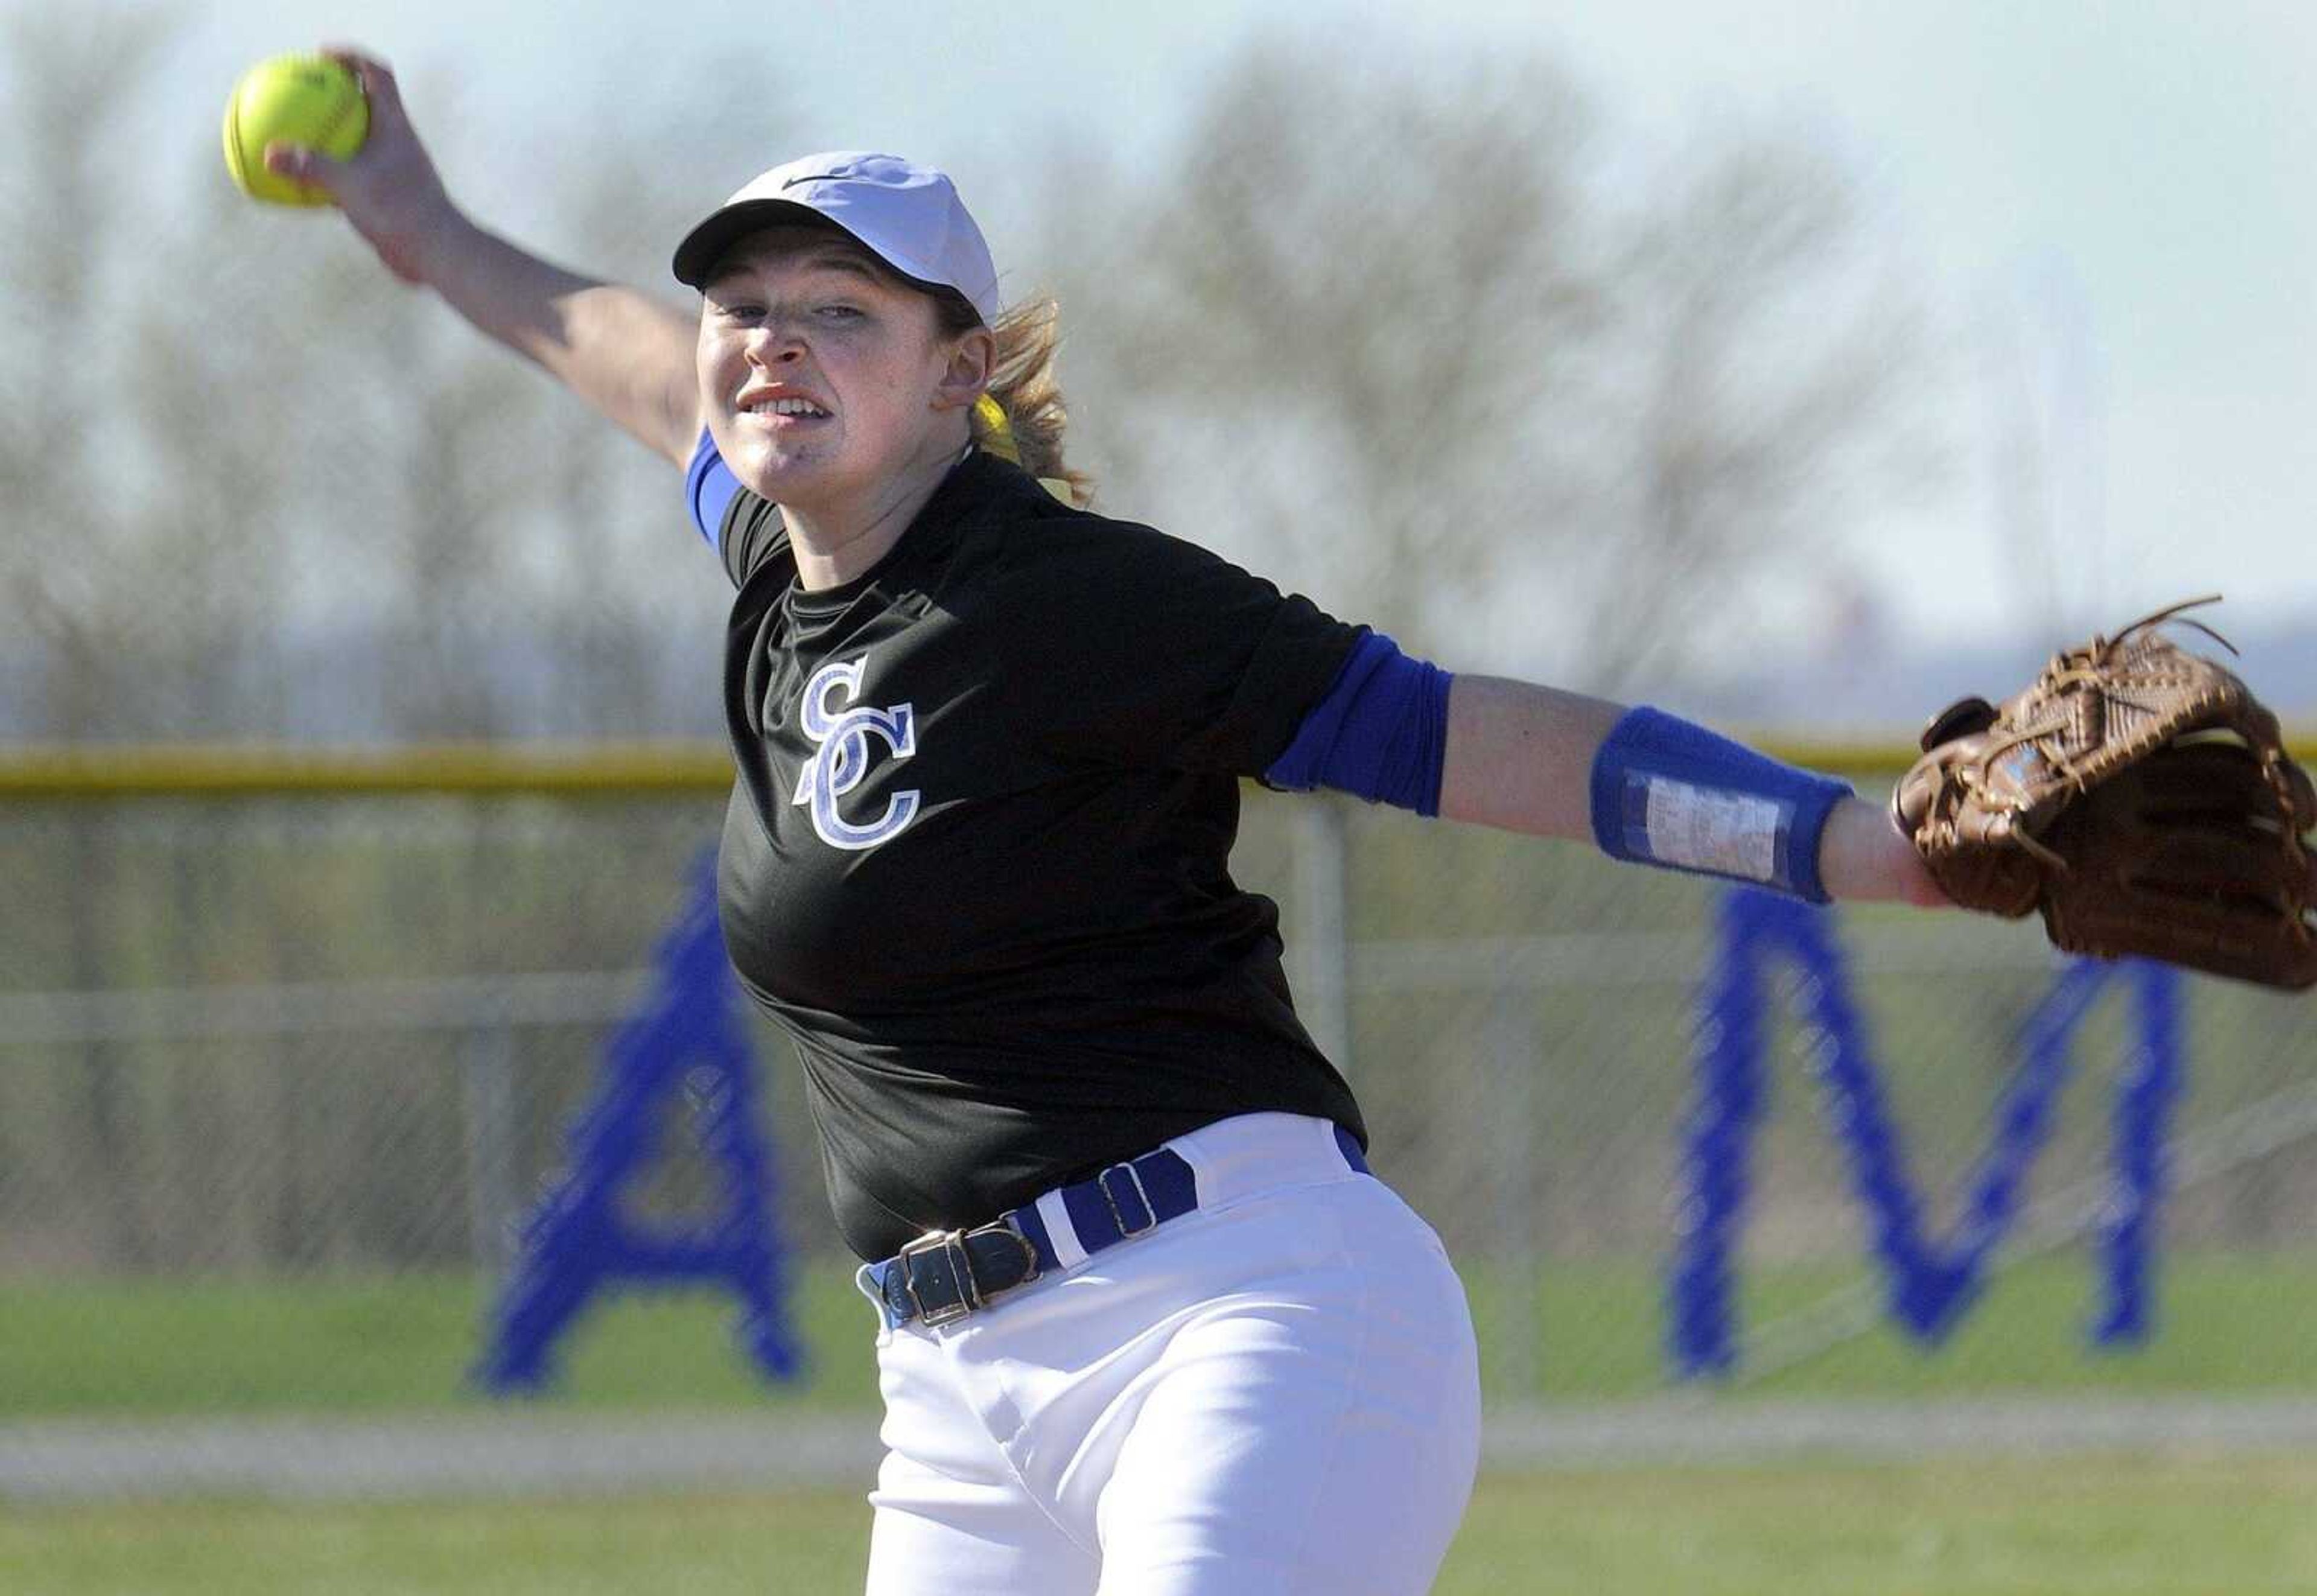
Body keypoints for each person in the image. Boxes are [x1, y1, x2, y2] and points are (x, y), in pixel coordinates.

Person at [270, 48, 1947, 1595]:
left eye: (842, 309)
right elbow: (620, 353)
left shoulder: (1075, 602)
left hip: (1240, 1313)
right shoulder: (785, 578)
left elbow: (1472, 739)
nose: (772, 335)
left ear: (957, 376)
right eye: (749, 302)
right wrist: (417, 225)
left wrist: (1840, 845)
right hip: (951, 1393)